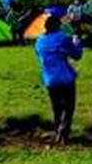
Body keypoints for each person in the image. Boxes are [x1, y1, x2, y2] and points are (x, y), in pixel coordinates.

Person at [34, 14, 83, 143]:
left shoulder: (39, 41)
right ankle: (64, 132)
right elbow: (76, 55)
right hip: (65, 77)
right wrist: (77, 42)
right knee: (69, 106)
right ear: (58, 26)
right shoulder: (62, 38)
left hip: (49, 79)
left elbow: (39, 54)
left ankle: (57, 131)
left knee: (56, 107)